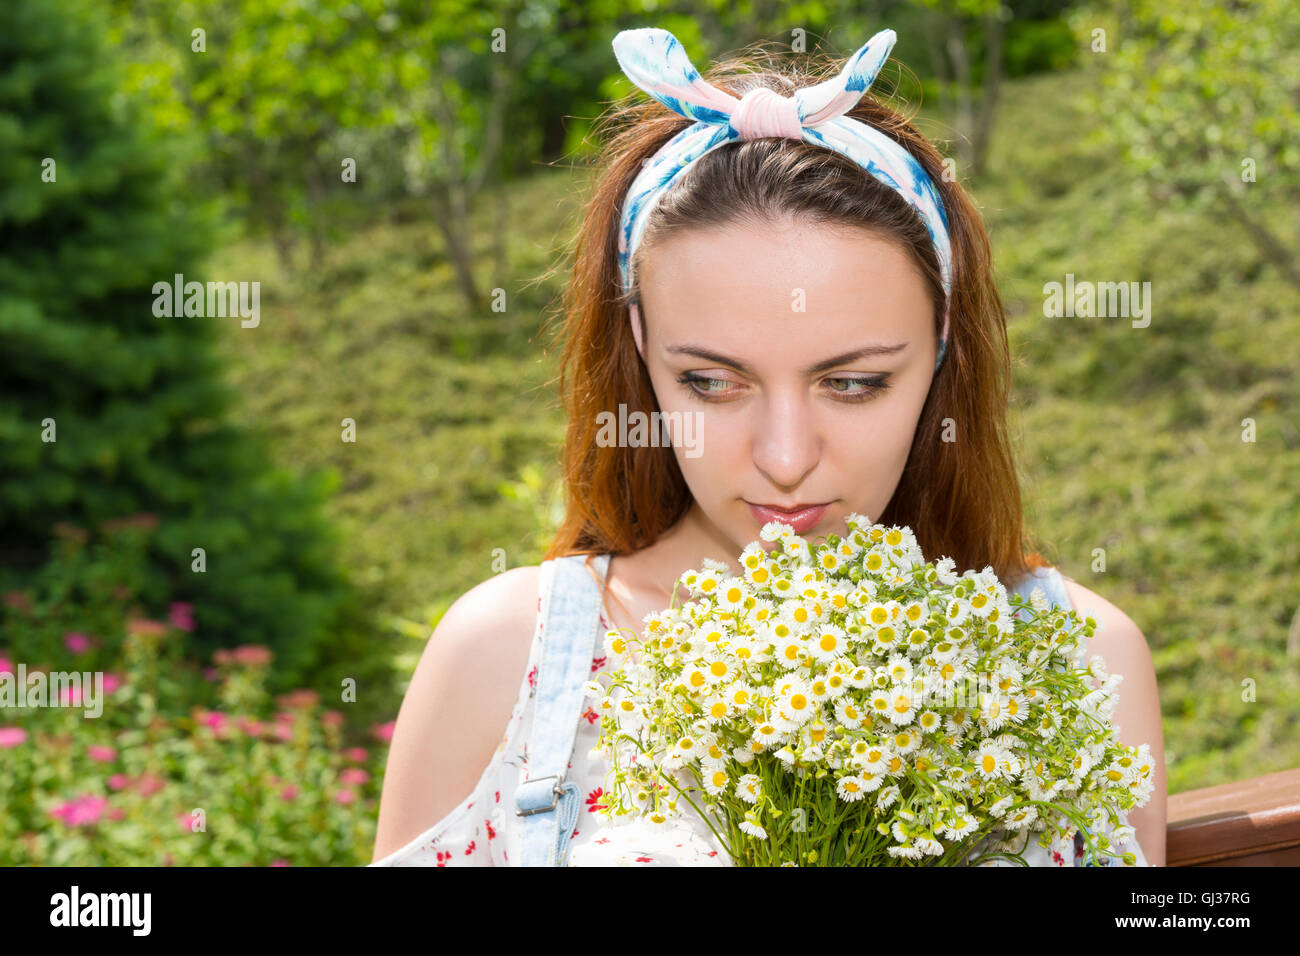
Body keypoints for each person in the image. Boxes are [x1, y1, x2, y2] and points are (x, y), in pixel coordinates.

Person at [371, 25, 1165, 867]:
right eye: (712, 384)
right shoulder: (506, 658)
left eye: (854, 383)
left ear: (939, 348)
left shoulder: (1075, 662)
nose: (785, 458)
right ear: (640, 344)